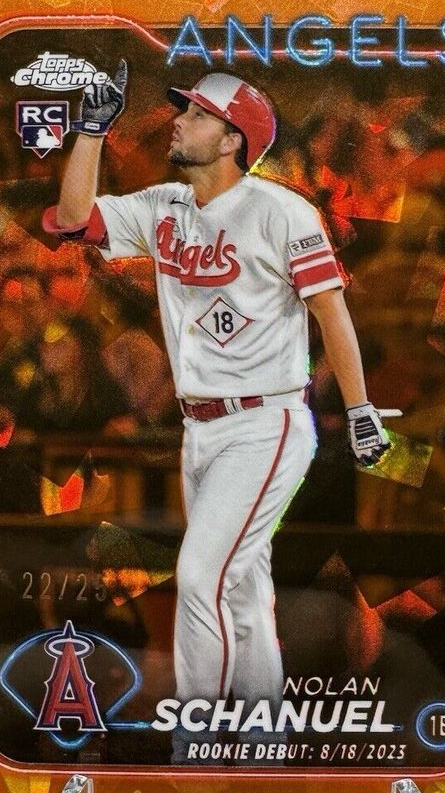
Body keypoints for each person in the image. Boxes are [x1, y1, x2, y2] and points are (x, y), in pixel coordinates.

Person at [43, 63, 391, 764]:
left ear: (234, 139)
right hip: (199, 426)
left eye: (198, 115)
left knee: (202, 576)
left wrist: (358, 409)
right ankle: (263, 745)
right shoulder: (165, 206)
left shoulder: (282, 211)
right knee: (242, 590)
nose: (180, 120)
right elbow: (74, 218)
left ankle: (197, 744)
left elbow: (332, 313)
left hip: (267, 420)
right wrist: (91, 130)